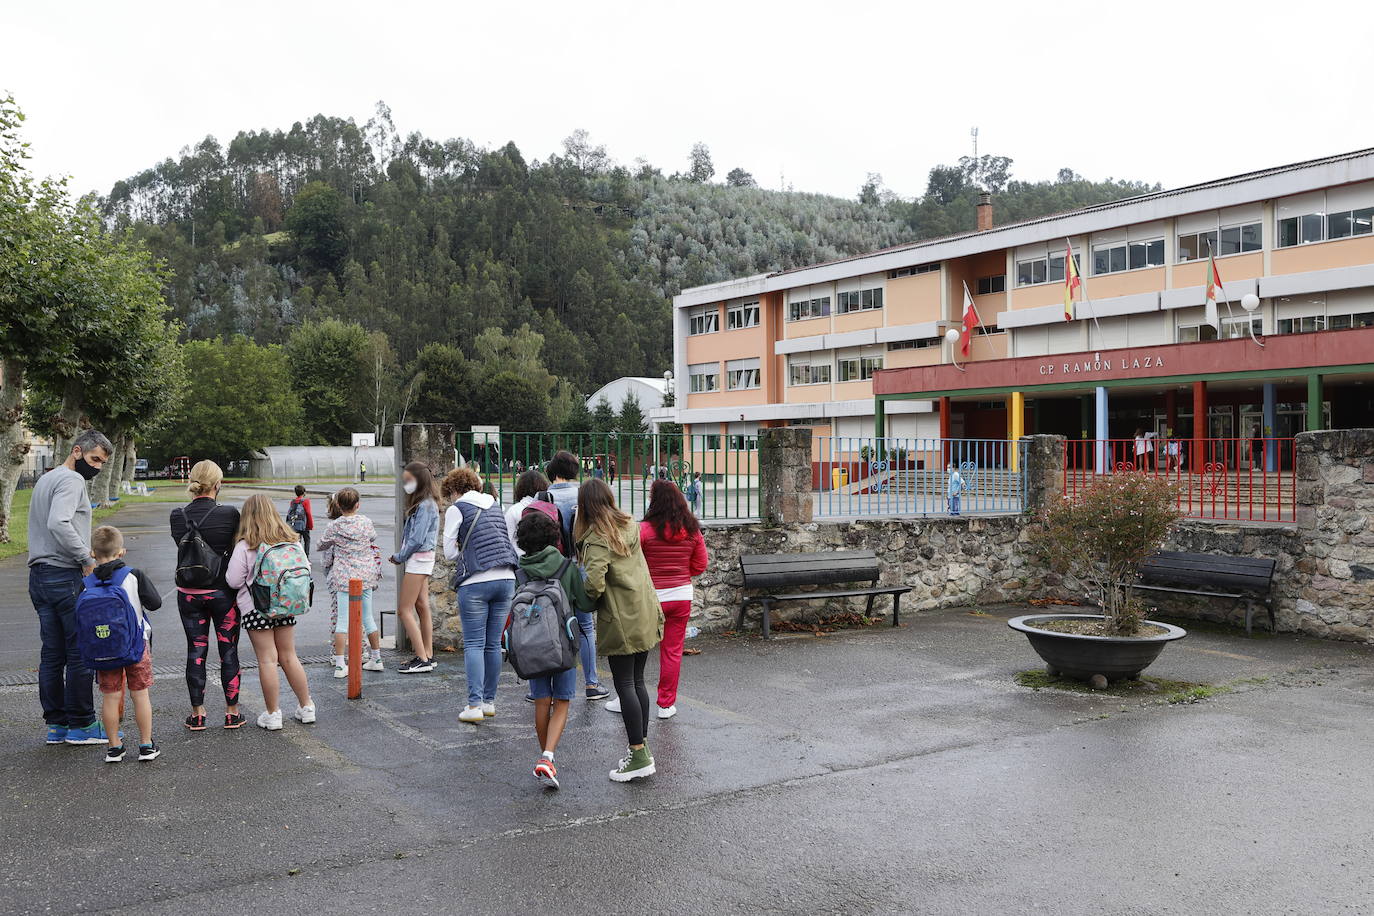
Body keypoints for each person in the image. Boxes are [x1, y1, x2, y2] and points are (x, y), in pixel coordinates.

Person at [29, 429, 114, 746]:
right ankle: (81, 725)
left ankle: (57, 726)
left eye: (102, 464)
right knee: (79, 653)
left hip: (38, 576)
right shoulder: (72, 480)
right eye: (94, 459)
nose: (97, 468)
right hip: (65, 575)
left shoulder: (46, 479)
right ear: (77, 451)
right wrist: (85, 558)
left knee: (52, 655)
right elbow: (58, 522)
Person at [576, 478, 663, 782]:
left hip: (621, 616)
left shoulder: (597, 536)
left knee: (625, 683)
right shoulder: (628, 524)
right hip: (643, 609)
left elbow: (595, 583)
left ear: (584, 505)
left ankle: (638, 753)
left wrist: (578, 595)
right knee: (638, 681)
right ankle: (642, 749)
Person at [605, 479, 707, 721]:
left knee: (636, 649)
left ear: (654, 501)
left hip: (649, 597)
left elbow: (629, 562)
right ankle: (666, 704)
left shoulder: (644, 530)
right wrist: (680, 575)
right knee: (672, 651)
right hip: (681, 595)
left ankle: (625, 698)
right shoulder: (692, 530)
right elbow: (700, 564)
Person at [515, 512, 593, 789]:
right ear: (553, 537)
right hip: (563, 645)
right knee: (562, 701)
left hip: (530, 646)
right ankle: (547, 756)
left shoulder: (520, 570)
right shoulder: (565, 567)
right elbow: (584, 603)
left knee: (541, 701)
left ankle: (546, 757)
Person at [226, 494, 315, 730]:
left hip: (257, 608)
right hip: (286, 605)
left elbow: (234, 581)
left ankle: (273, 713)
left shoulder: (246, 545)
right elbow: (305, 568)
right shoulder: (292, 540)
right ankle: (306, 707)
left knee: (267, 659)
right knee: (289, 655)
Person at [169, 460, 245, 731]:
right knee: (228, 650)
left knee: (196, 651)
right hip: (223, 593)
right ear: (217, 484)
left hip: (189, 593)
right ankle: (232, 712)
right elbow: (236, 548)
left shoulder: (177, 515)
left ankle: (198, 713)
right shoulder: (229, 514)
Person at [442, 467, 518, 724]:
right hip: (506, 578)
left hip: (476, 580)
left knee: (474, 644)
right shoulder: (494, 503)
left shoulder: (457, 508)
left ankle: (473, 705)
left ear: (453, 489)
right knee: (493, 644)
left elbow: (450, 553)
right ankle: (488, 702)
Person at [89, 525, 163, 763]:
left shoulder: (86, 582)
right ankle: (146, 745)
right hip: (136, 646)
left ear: (92, 553)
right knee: (140, 694)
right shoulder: (134, 575)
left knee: (110, 696)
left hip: (103, 648)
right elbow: (155, 603)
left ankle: (114, 748)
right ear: (121, 552)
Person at [545, 450, 610, 700]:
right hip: (582, 566)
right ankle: (592, 683)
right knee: (585, 628)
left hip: (555, 569)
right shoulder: (584, 496)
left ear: (553, 471)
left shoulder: (544, 497)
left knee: (555, 627)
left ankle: (552, 687)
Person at [318, 487, 384, 677]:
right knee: (368, 617)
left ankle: (340, 664)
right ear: (358, 505)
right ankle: (376, 658)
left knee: (341, 620)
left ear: (338, 505)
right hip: (365, 575)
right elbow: (373, 537)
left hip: (344, 576)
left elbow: (321, 544)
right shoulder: (366, 522)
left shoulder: (334, 526)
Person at [391, 462, 440, 673]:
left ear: (418, 480)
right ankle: (427, 654)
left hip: (418, 560)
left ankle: (421, 658)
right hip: (424, 558)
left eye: (408, 480)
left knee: (404, 610)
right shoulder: (428, 503)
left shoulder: (424, 506)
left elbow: (417, 538)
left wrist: (400, 556)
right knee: (421, 606)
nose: (405, 484)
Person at [505, 469, 552, 553]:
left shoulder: (514, 510)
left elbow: (507, 539)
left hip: (520, 558)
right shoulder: (550, 508)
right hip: (546, 556)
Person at [287, 485, 314, 554]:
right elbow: (308, 513)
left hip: (295, 524)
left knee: (297, 541)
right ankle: (306, 556)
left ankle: (297, 556)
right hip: (304, 524)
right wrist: (310, 525)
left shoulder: (292, 502)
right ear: (304, 492)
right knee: (307, 540)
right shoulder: (306, 501)